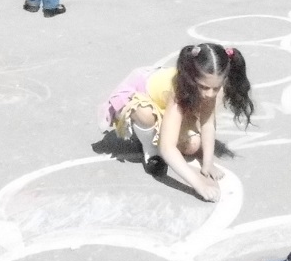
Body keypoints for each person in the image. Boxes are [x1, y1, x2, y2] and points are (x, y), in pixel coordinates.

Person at [101, 44, 252, 202]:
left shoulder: (208, 87)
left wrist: (208, 163)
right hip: (143, 95)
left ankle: (158, 132)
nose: (210, 94)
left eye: (216, 88)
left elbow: (207, 123)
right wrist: (199, 184)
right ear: (192, 79)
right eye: (204, 87)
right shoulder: (179, 91)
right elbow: (167, 148)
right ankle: (150, 149)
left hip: (169, 103)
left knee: (192, 146)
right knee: (146, 115)